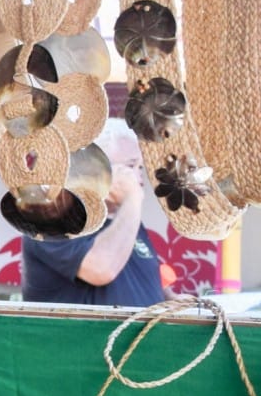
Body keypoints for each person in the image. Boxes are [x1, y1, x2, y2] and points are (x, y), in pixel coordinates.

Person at [21, 126, 168, 307]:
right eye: (130, 166)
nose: (139, 178)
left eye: (140, 168)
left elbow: (139, 281)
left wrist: (170, 299)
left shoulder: (123, 219)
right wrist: (132, 199)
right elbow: (101, 269)